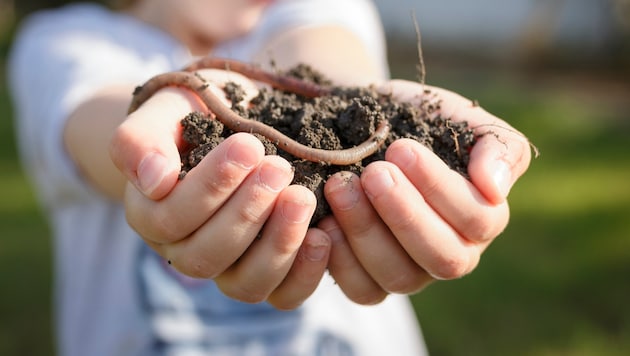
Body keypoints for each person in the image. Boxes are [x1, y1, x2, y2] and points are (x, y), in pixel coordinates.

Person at [8, 0, 532, 355]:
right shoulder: (62, 40)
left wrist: (347, 91)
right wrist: (152, 147)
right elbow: (93, 121)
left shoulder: (318, 7)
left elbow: (322, 55)